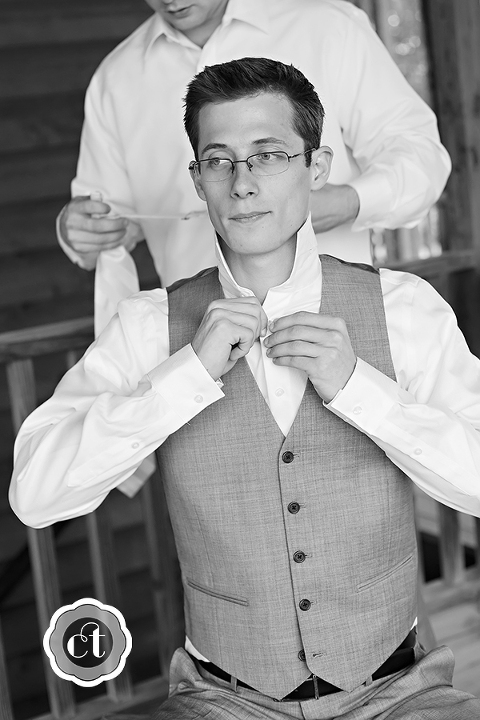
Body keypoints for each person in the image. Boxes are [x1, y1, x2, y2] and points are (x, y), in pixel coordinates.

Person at [11, 58, 480, 718]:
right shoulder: (148, 326)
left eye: (269, 155)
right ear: (197, 180)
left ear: (315, 168)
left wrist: (359, 390)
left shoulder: (404, 308)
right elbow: (34, 494)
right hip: (220, 698)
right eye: (219, 160)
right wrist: (184, 377)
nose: (243, 182)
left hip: (400, 690)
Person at [58, 0, 451, 294]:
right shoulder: (116, 78)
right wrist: (78, 230)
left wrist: (350, 202)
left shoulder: (329, 27)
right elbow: (106, 216)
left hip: (334, 318)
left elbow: (421, 157)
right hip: (198, 339)